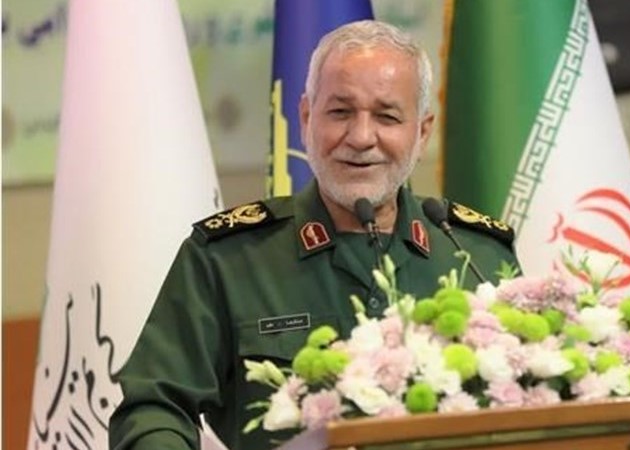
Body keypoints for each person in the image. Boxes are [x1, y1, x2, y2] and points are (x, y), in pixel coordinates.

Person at [109, 20, 519, 450]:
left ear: (422, 132)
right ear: (306, 119)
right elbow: (154, 407)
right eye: (340, 112)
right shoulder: (228, 259)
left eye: (387, 116)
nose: (361, 137)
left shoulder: (477, 256)